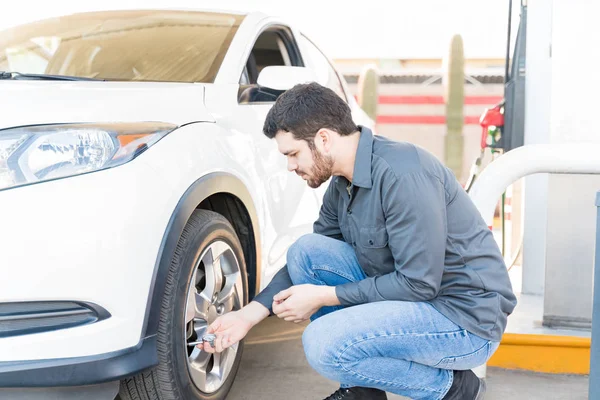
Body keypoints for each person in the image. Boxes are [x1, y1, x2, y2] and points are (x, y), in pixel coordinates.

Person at [200, 82, 517, 400]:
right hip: (419, 300)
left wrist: (325, 295)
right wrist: (248, 314)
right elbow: (309, 264)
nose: (290, 165)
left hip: (463, 320)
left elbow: (420, 284)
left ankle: (453, 389)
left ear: (323, 139)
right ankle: (361, 392)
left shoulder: (404, 175)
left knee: (323, 344)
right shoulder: (341, 184)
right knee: (306, 252)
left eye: (293, 153)